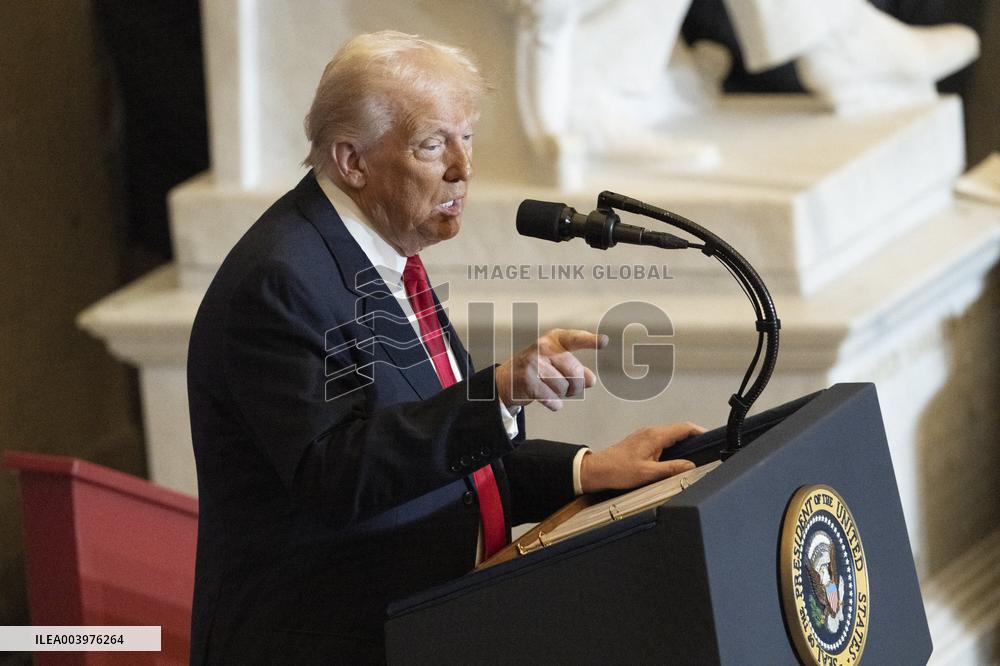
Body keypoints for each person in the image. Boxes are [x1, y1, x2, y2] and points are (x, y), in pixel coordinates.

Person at [187, 30, 702, 664]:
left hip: (429, 624)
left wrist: (588, 470)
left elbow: (435, 458)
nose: (464, 168)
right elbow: (336, 475)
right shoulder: (281, 282)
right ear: (352, 161)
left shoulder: (384, 251)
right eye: (433, 145)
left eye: (468, 138)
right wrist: (497, 394)